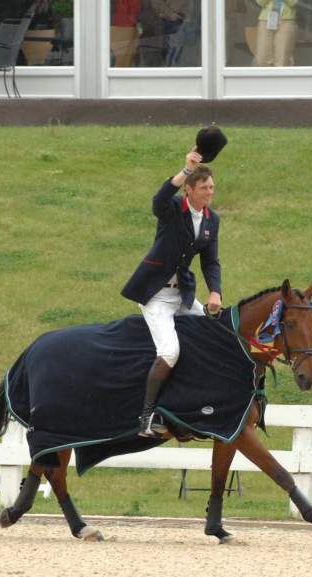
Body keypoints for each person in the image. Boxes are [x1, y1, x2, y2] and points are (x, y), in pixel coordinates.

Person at [121, 149, 222, 437]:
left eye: (212, 188)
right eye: (204, 188)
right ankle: (146, 417)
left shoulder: (211, 220)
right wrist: (186, 169)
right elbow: (158, 200)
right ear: (189, 189)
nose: (210, 193)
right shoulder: (172, 209)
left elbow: (210, 261)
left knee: (214, 336)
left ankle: (190, 408)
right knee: (170, 350)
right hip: (156, 296)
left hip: (183, 295)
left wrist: (215, 292)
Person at [254, 0, 298, 67]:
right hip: (266, 20)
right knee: (262, 59)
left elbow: (293, 2)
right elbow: (260, 2)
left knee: (282, 60)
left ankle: (281, 77)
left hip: (286, 21)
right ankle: (267, 77)